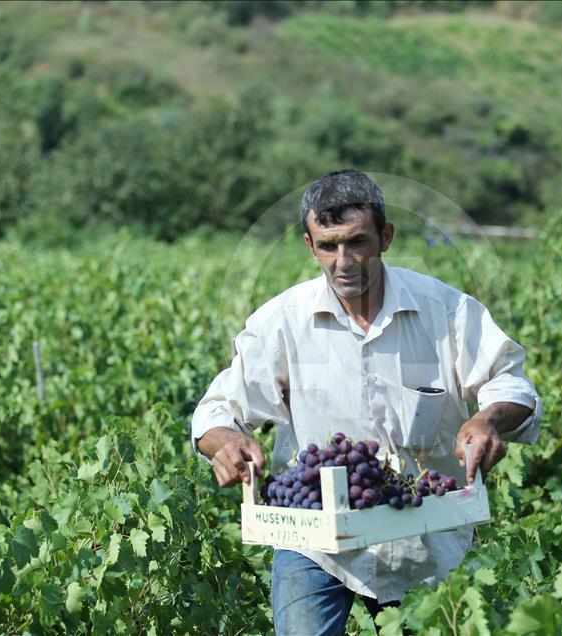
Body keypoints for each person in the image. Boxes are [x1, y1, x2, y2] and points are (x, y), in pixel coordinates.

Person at [190, 169, 543, 635]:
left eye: (357, 242)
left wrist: (488, 419)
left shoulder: (446, 311)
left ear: (386, 237)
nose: (343, 261)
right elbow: (217, 411)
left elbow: (511, 384)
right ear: (309, 246)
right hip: (315, 541)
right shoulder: (283, 322)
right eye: (328, 245)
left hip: (425, 537)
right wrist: (225, 441)